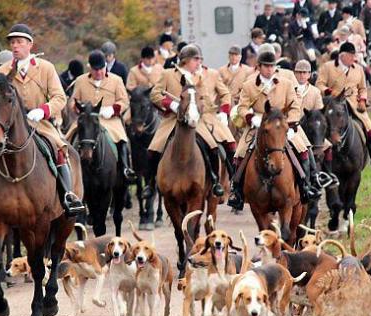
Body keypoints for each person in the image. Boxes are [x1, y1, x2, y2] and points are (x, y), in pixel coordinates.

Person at [0, 24, 85, 226]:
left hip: (40, 122)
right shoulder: (2, 71)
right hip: (8, 126)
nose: (15, 46)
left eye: (19, 42)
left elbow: (59, 97)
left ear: (30, 44)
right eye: (12, 43)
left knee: (59, 147)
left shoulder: (46, 68)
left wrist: (43, 110)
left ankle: (68, 195)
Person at [227, 51, 313, 210]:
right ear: (258, 67)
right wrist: (251, 118)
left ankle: (306, 185)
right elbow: (242, 107)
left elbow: (295, 106)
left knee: (303, 150)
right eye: (266, 66)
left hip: (282, 123)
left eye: (272, 66)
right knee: (240, 153)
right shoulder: (249, 85)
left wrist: (291, 122)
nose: (269, 69)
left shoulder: (286, 83)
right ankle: (236, 191)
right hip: (258, 124)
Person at [143, 44, 232, 198]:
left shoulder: (202, 76)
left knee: (213, 147)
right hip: (173, 119)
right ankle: (150, 184)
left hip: (199, 119)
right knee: (153, 149)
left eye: (200, 59)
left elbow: (211, 97)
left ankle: (216, 180)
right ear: (185, 61)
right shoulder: (168, 74)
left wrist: (220, 112)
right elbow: (155, 94)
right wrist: (171, 104)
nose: (199, 63)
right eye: (196, 59)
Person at [316, 42, 371, 174]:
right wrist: (329, 92)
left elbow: (363, 88)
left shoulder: (358, 69)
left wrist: (363, 100)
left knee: (368, 125)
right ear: (342, 55)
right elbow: (319, 84)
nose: (353, 58)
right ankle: (318, 162)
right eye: (350, 56)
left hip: (353, 104)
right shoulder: (328, 67)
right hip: (333, 104)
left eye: (354, 56)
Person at [68, 50, 136, 183]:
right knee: (69, 139)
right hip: (87, 119)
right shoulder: (81, 81)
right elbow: (72, 101)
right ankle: (69, 168)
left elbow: (124, 101)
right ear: (90, 68)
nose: (99, 72)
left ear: (105, 66)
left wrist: (112, 109)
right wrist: (79, 108)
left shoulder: (116, 80)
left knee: (121, 139)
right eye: (95, 69)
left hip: (109, 120)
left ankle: (125, 168)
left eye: (101, 68)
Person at [293, 59, 335, 189]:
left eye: (305, 73)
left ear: (309, 75)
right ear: (295, 74)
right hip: (292, 126)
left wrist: (312, 117)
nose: (302, 75)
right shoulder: (289, 89)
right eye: (299, 72)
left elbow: (319, 112)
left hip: (310, 126)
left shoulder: (315, 92)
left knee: (328, 146)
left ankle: (327, 175)